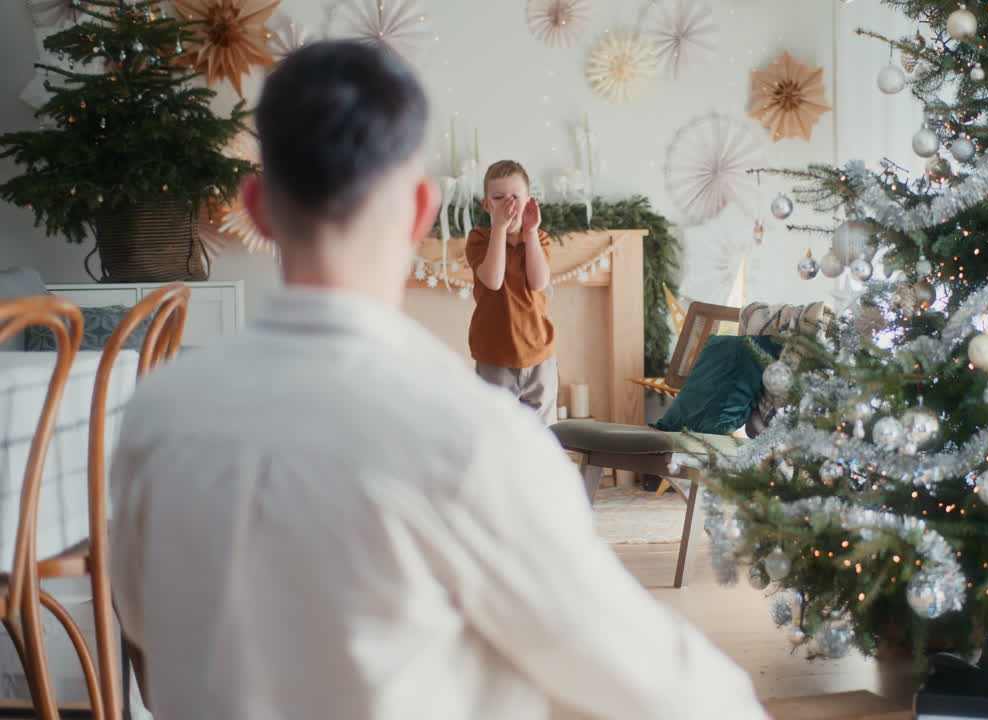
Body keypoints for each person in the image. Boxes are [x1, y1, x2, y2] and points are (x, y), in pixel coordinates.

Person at [108, 40, 769, 720]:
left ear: (257, 207)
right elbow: (663, 686)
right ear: (422, 208)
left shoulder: (153, 414)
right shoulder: (476, 439)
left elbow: (145, 646)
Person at [465, 160, 558, 425]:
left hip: (539, 355)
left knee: (543, 435)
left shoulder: (539, 239)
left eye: (515, 197)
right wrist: (499, 228)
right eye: (498, 198)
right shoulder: (480, 238)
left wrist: (529, 231)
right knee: (496, 430)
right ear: (487, 205)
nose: (509, 205)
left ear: (529, 201)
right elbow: (493, 281)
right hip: (494, 357)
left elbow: (539, 282)